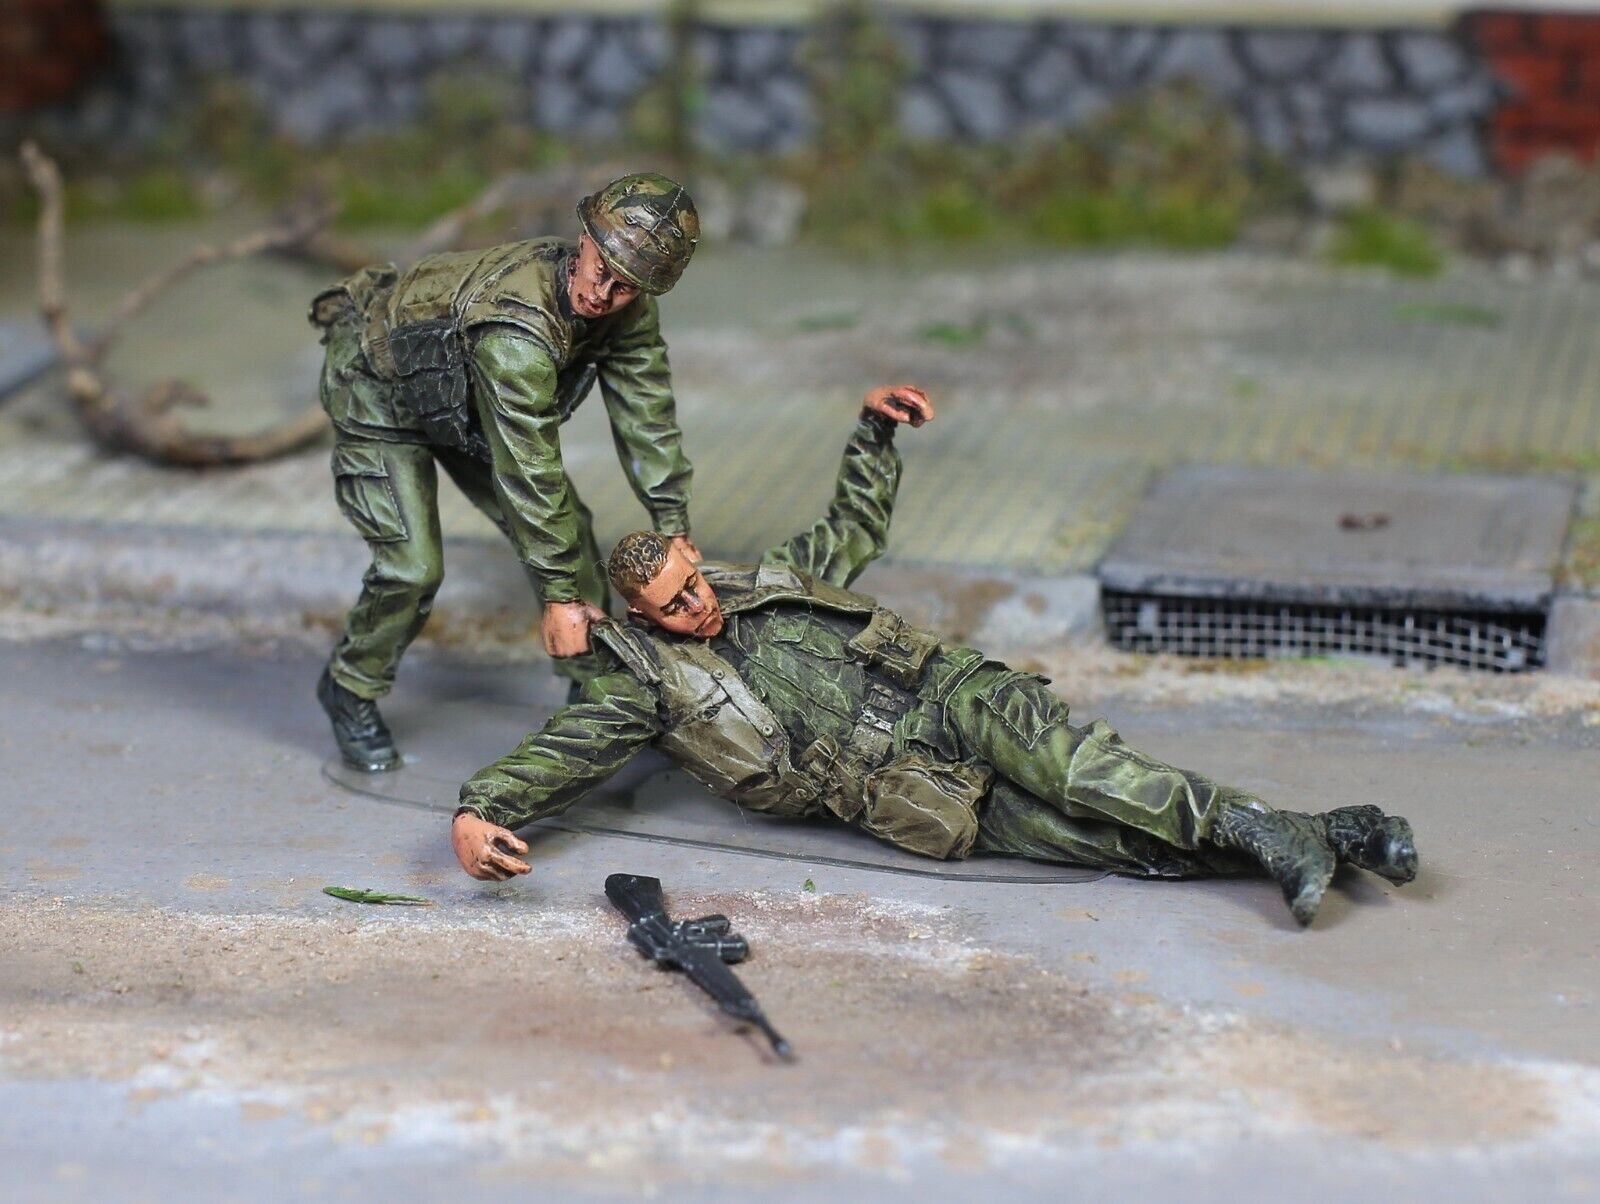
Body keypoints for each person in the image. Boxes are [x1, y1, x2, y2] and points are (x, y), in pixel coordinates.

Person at [450, 387, 1418, 927]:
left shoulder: (775, 579)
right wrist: (480, 808)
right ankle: (1324, 832)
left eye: (693, 584)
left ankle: (1272, 833)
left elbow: (852, 525)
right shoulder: (648, 690)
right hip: (909, 791)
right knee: (1111, 844)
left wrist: (873, 433)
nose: (696, 607)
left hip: (949, 698)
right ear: (640, 612)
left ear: (695, 560)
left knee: (1081, 774)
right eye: (671, 606)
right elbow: (569, 748)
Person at [309, 172, 702, 772]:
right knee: (412, 568)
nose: (603, 294)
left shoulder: (628, 311)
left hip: (461, 399)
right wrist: (560, 597)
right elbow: (529, 468)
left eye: (626, 286)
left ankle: (592, 686)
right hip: (380, 391)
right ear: (584, 240)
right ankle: (350, 685)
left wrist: (672, 521)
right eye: (601, 268)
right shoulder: (516, 329)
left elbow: (646, 411)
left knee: (572, 533)